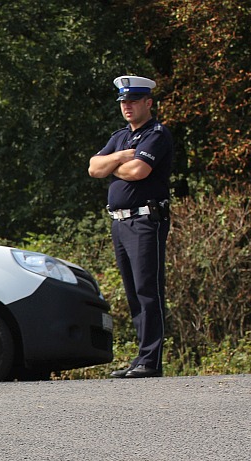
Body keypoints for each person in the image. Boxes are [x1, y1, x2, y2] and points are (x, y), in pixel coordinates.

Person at [88, 76, 173, 379]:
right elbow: (93, 168)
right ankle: (141, 358)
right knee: (133, 292)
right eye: (124, 101)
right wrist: (119, 157)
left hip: (145, 220)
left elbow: (138, 171)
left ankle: (150, 360)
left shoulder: (156, 134)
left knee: (148, 290)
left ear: (148, 103)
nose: (127, 106)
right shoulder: (121, 137)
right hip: (121, 221)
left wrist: (112, 165)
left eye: (133, 101)